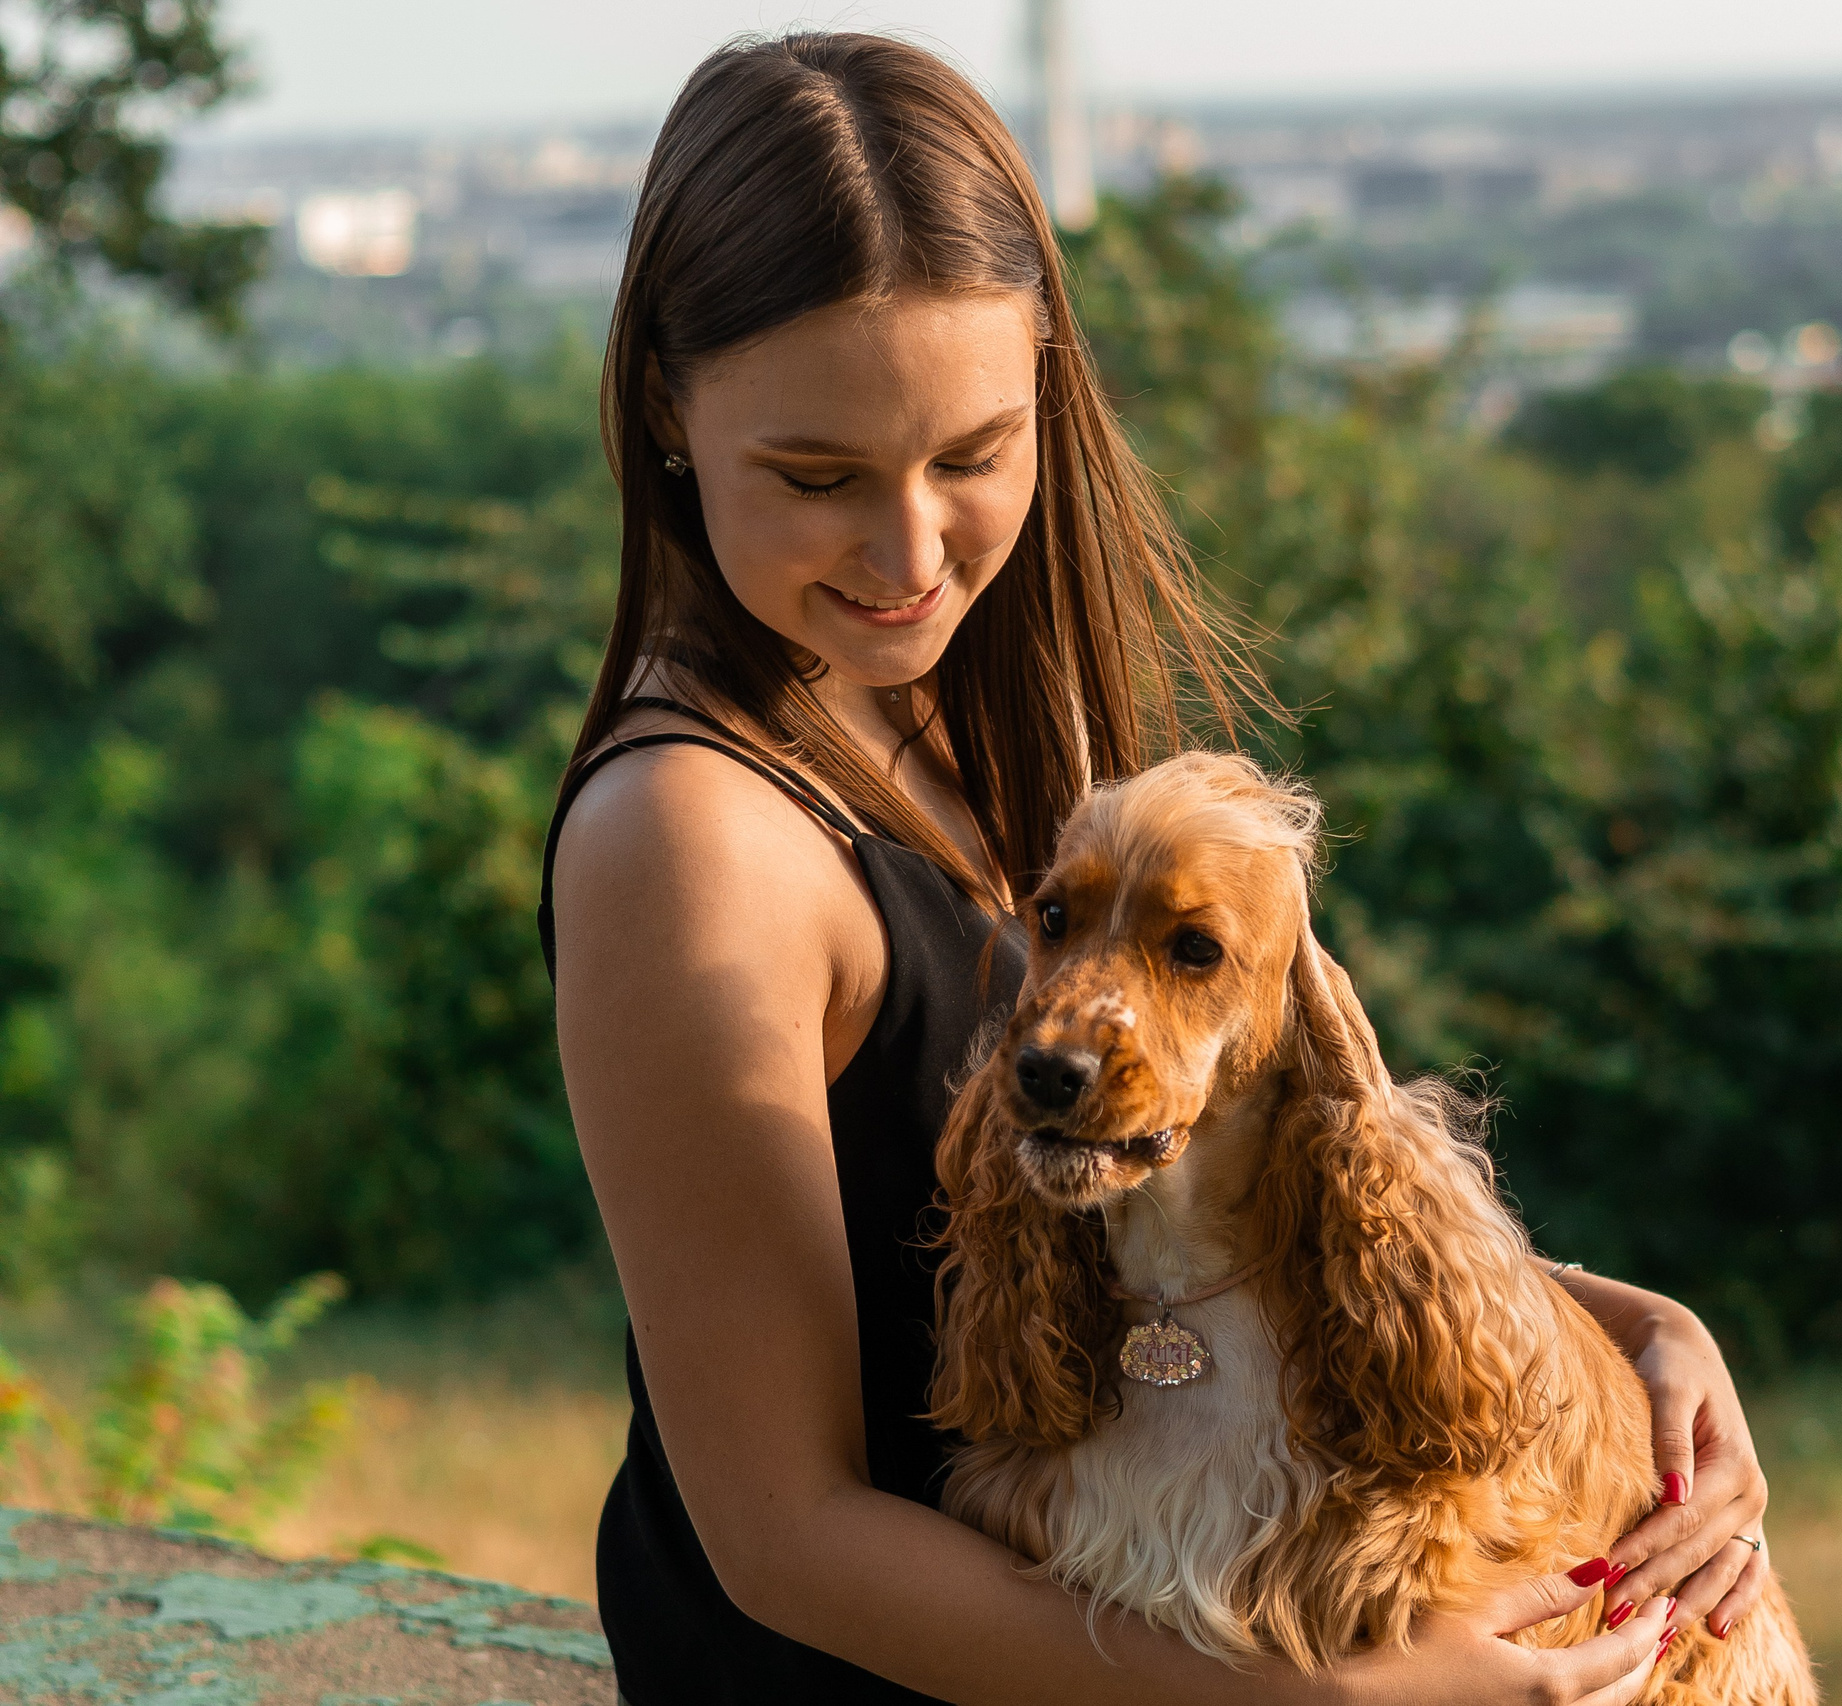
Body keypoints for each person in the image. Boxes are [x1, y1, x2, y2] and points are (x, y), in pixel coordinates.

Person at [542, 32, 1774, 1706]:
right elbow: (785, 1532)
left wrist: (1641, 1336)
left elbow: (1216, 1191)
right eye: (818, 478)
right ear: (670, 417)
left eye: (972, 455)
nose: (912, 554)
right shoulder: (685, 840)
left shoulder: (968, 719)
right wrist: (1329, 1703)